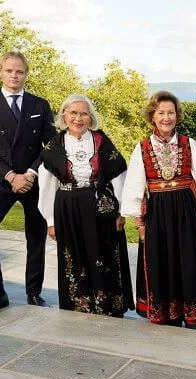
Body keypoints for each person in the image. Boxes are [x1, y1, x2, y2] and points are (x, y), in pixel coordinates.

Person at [121, 91, 196, 329]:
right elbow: (135, 188)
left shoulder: (190, 144)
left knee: (189, 265)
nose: (166, 118)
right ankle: (167, 317)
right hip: (157, 216)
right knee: (162, 264)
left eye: (171, 113)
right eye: (161, 113)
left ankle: (193, 317)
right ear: (152, 116)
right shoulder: (142, 148)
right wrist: (139, 223)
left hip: (188, 215)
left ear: (177, 116)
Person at [36, 94, 134, 316]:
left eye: (83, 113)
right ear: (64, 116)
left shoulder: (101, 141)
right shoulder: (54, 146)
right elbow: (47, 185)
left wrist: (121, 210)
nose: (78, 118)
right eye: (73, 113)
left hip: (100, 207)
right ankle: (79, 306)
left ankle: (107, 305)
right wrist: (50, 221)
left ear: (90, 117)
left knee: (103, 254)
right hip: (68, 207)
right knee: (74, 256)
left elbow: (118, 175)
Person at [0, 51, 55, 320]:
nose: (14, 75)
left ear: (26, 74)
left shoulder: (39, 105)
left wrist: (31, 172)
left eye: (19, 71)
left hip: (33, 179)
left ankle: (34, 292)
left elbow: (51, 144)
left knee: (36, 236)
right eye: (9, 70)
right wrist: (11, 176)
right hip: (1, 180)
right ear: (0, 71)